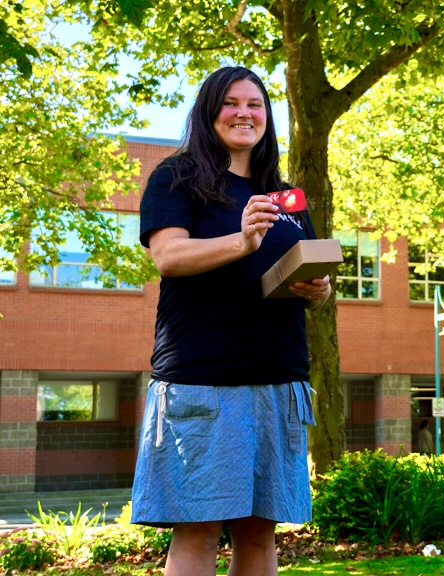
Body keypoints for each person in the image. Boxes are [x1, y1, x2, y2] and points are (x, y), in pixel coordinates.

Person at [131, 66, 332, 576]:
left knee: (260, 533)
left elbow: (301, 285)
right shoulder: (176, 178)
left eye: (256, 104)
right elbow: (169, 257)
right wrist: (240, 242)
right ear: (209, 111)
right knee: (198, 531)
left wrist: (317, 291)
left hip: (278, 381)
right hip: (205, 382)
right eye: (231, 103)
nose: (245, 113)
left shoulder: (286, 197)